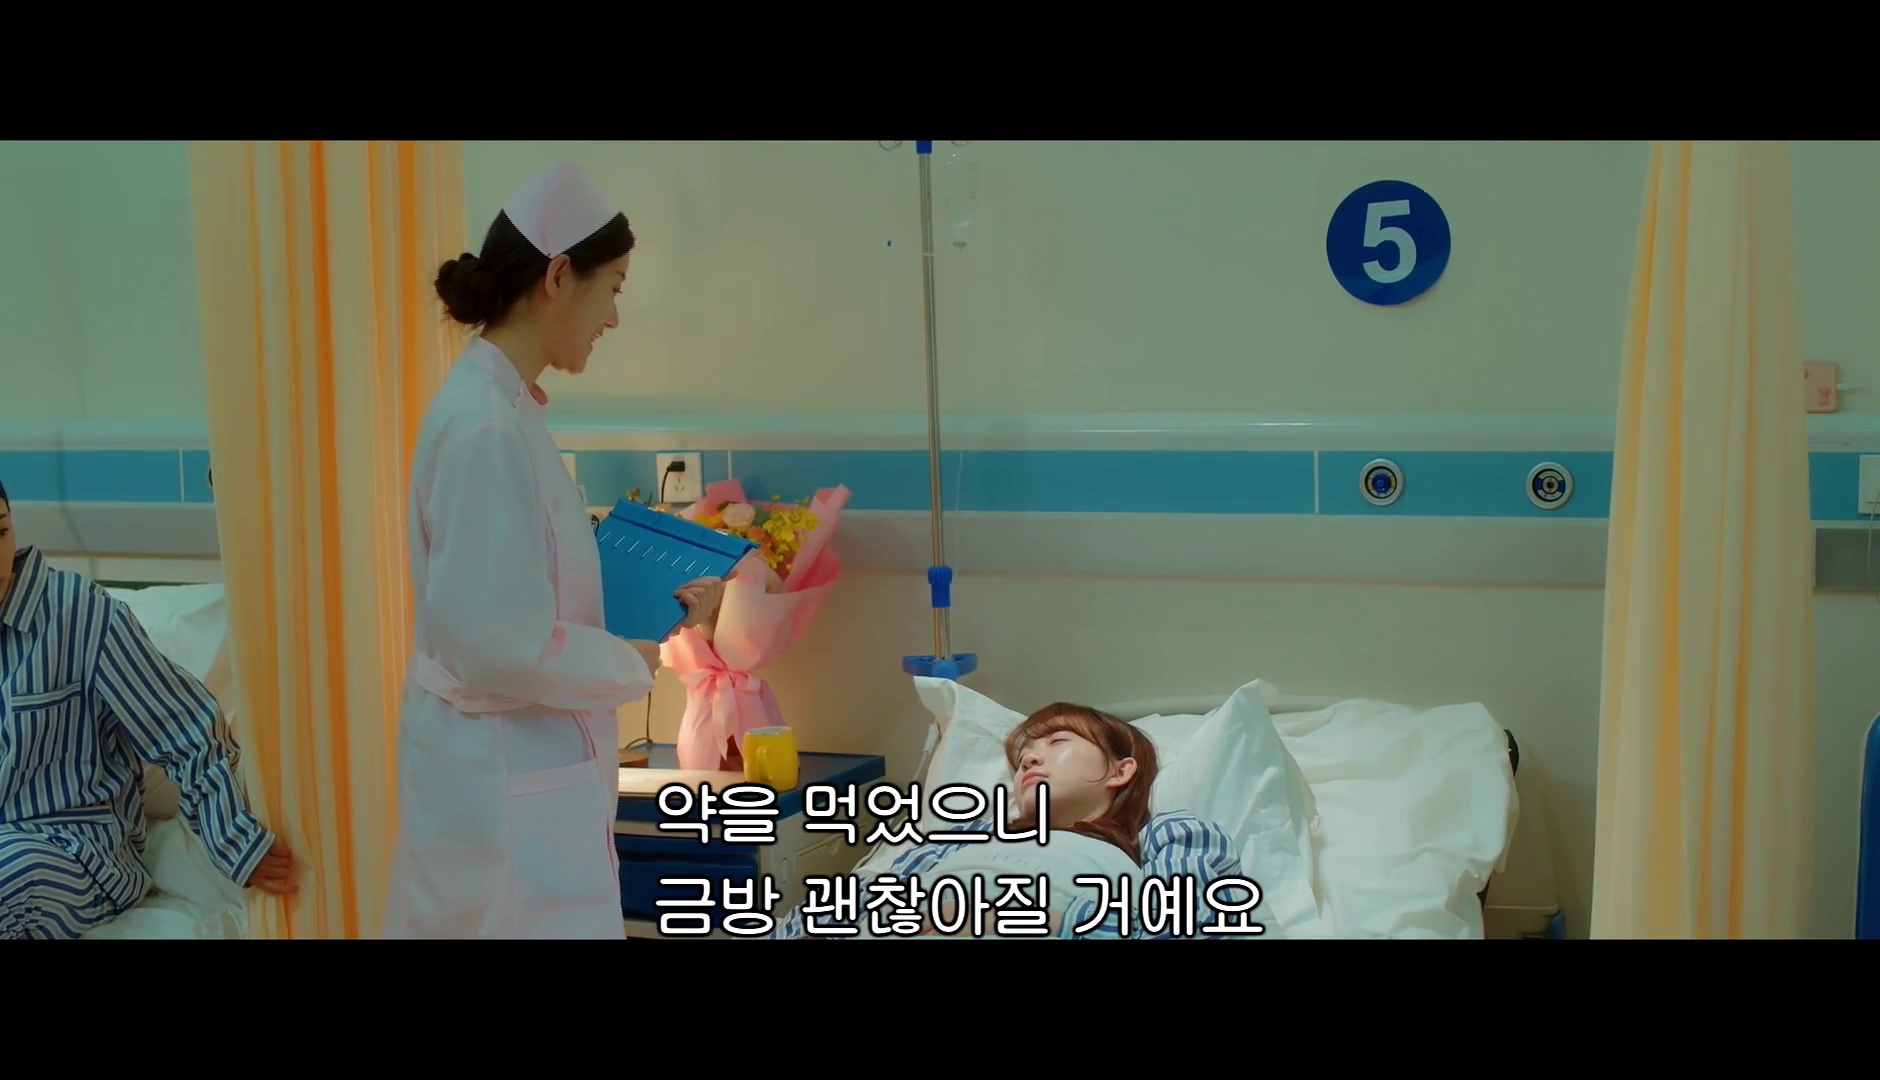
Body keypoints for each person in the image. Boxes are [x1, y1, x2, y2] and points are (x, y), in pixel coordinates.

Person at [384, 162, 725, 940]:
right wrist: (630, 659)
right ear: (559, 276)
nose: (613, 318)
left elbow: (516, 591)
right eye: (613, 288)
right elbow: (493, 641)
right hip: (502, 800)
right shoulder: (484, 427)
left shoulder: (507, 411)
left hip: (522, 786)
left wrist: (646, 603)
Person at [0, 480, 298, 939]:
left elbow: (184, 729)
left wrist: (236, 839)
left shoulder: (78, 613)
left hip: (78, 850)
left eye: (0, 532)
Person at [768, 703, 1259, 940]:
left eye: (1058, 742)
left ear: (1120, 770)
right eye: (1024, 754)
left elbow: (1189, 928)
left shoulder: (1169, 836)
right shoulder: (964, 838)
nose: (1030, 759)